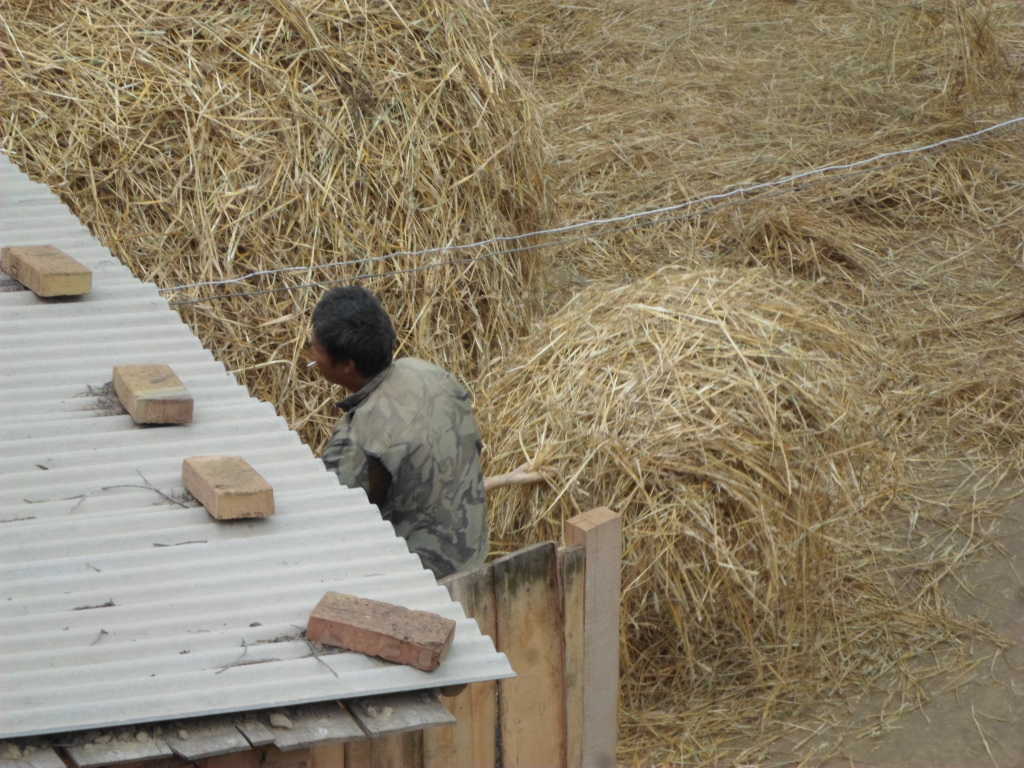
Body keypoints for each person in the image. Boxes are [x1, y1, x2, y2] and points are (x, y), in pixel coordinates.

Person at [309, 285, 488, 579]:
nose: (311, 355)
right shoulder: (429, 373)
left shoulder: (358, 439)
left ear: (347, 366)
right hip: (473, 550)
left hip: (425, 576)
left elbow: (330, 525)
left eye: (315, 348)